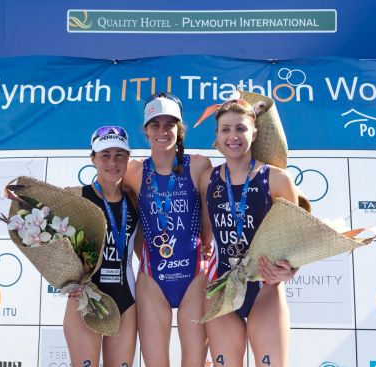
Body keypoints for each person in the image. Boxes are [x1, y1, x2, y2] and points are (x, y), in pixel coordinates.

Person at [197, 96, 299, 367]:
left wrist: (291, 270)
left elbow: (297, 239)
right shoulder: (208, 179)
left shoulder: (277, 179)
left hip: (265, 286)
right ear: (217, 137)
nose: (233, 136)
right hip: (223, 286)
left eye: (240, 128)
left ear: (254, 132)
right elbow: (206, 235)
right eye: (225, 129)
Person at [123, 92, 212, 367]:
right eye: (155, 125)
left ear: (179, 129)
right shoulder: (132, 172)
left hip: (194, 276)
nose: (163, 131)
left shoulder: (198, 165)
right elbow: (111, 204)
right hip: (152, 279)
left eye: (169, 124)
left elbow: (209, 214)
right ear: (146, 131)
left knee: (194, 362)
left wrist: (207, 245)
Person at [63, 126, 140, 367]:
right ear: (93, 158)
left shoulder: (135, 201)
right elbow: (44, 243)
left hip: (125, 300)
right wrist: (64, 280)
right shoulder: (75, 197)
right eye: (105, 155)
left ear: (128, 158)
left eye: (120, 154)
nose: (113, 162)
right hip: (85, 300)